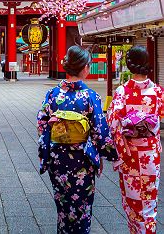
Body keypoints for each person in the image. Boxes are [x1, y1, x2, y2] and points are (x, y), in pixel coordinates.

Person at [37, 45, 117, 234]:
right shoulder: (90, 96)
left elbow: (42, 124)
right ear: (84, 68)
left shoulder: (53, 94)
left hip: (57, 158)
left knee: (63, 207)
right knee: (82, 209)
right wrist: (111, 155)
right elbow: (99, 131)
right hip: (82, 160)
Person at [107, 46, 164, 234]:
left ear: (128, 64)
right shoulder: (157, 92)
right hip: (150, 155)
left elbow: (113, 124)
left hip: (130, 154)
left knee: (133, 204)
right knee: (149, 203)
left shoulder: (122, 92)